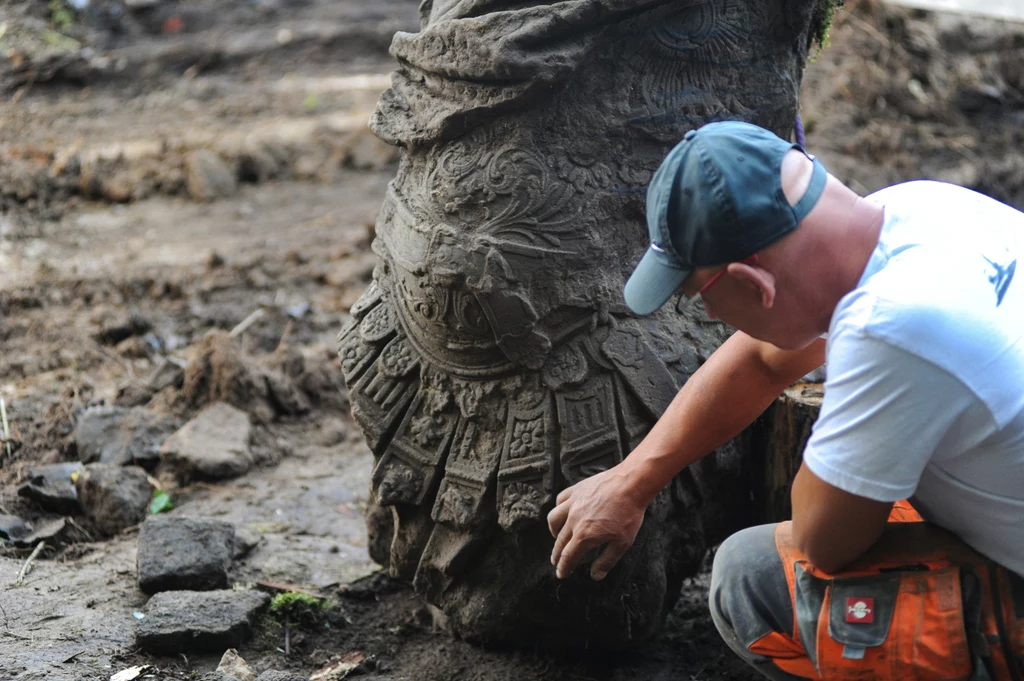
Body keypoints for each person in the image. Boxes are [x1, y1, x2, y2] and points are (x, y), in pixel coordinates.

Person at [546, 120, 1024, 680]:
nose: (712, 318)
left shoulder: (892, 328)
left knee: (753, 578)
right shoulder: (921, 208)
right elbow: (760, 360)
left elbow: (827, 543)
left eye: (702, 299)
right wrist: (634, 480)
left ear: (755, 285)